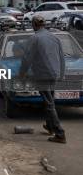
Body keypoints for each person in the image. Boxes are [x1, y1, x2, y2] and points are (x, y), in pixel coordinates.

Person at [19, 15, 66, 143]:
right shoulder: (54, 37)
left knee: (49, 104)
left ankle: (60, 133)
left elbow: (27, 58)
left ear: (34, 25)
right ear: (44, 24)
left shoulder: (35, 38)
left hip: (42, 75)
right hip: (54, 74)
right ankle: (50, 126)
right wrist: (61, 74)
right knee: (50, 101)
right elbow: (62, 57)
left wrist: (21, 74)